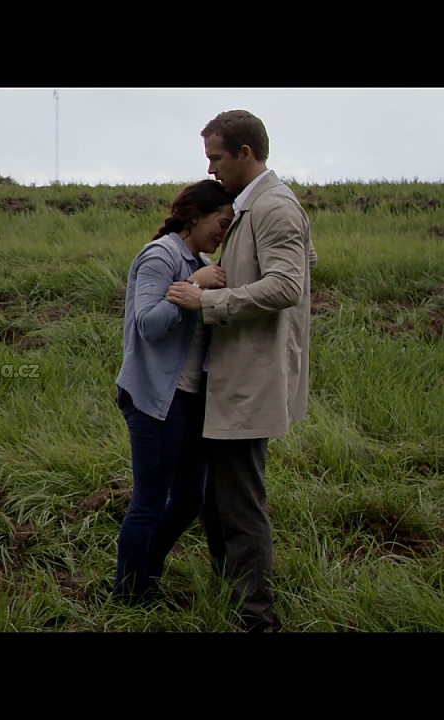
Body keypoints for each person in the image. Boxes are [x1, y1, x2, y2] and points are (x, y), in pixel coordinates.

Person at [168, 109, 318, 631]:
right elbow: (304, 263)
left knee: (239, 500)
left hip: (251, 377)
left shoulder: (274, 206)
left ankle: (256, 617)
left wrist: (209, 301)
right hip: (233, 373)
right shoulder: (253, 206)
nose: (210, 169)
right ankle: (233, 598)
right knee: (216, 497)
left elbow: (288, 285)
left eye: (216, 157)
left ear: (246, 153)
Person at [112, 179, 234, 605]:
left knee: (187, 501)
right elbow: (148, 325)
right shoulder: (161, 255)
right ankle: (129, 598)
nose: (224, 233)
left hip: (191, 397)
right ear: (195, 217)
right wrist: (194, 288)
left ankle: (145, 571)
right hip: (155, 397)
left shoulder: (202, 262)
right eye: (222, 222)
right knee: (148, 503)